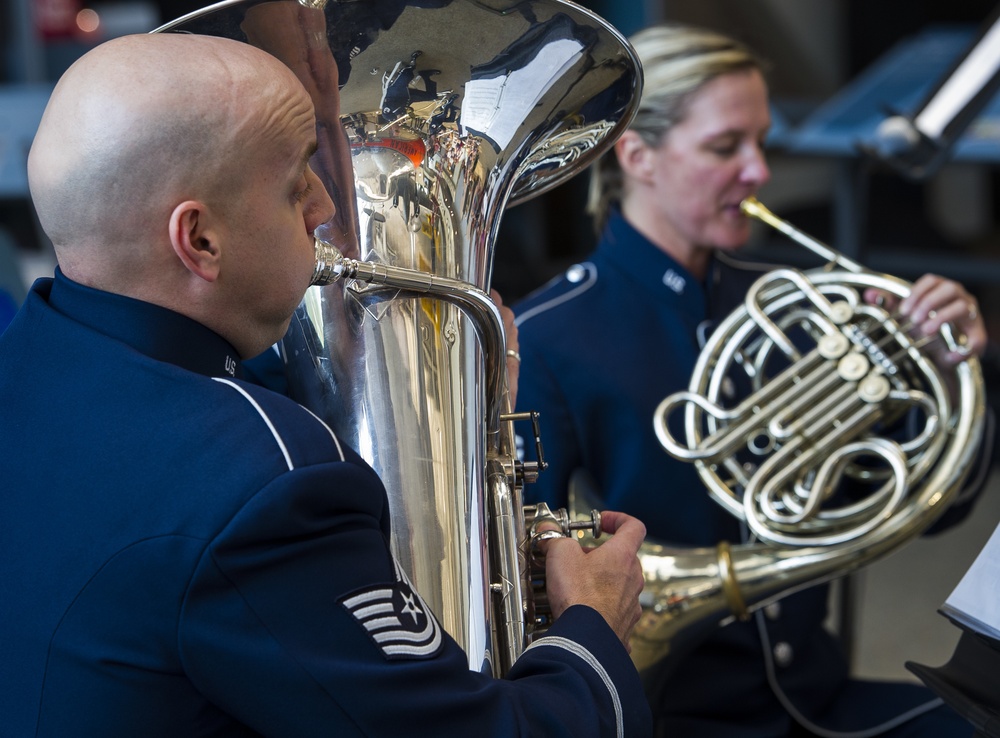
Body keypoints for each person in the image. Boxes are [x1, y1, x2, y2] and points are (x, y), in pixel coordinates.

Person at [0, 32, 653, 737]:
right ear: (200, 241)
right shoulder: (265, 488)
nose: (323, 210)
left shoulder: (28, 358)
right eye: (296, 182)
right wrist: (593, 627)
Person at [513, 23, 992, 738]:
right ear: (638, 155)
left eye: (760, 142)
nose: (760, 171)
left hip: (819, 700)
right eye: (724, 147)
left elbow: (933, 505)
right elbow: (526, 578)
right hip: (676, 715)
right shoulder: (547, 336)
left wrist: (951, 370)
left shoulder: (798, 297)